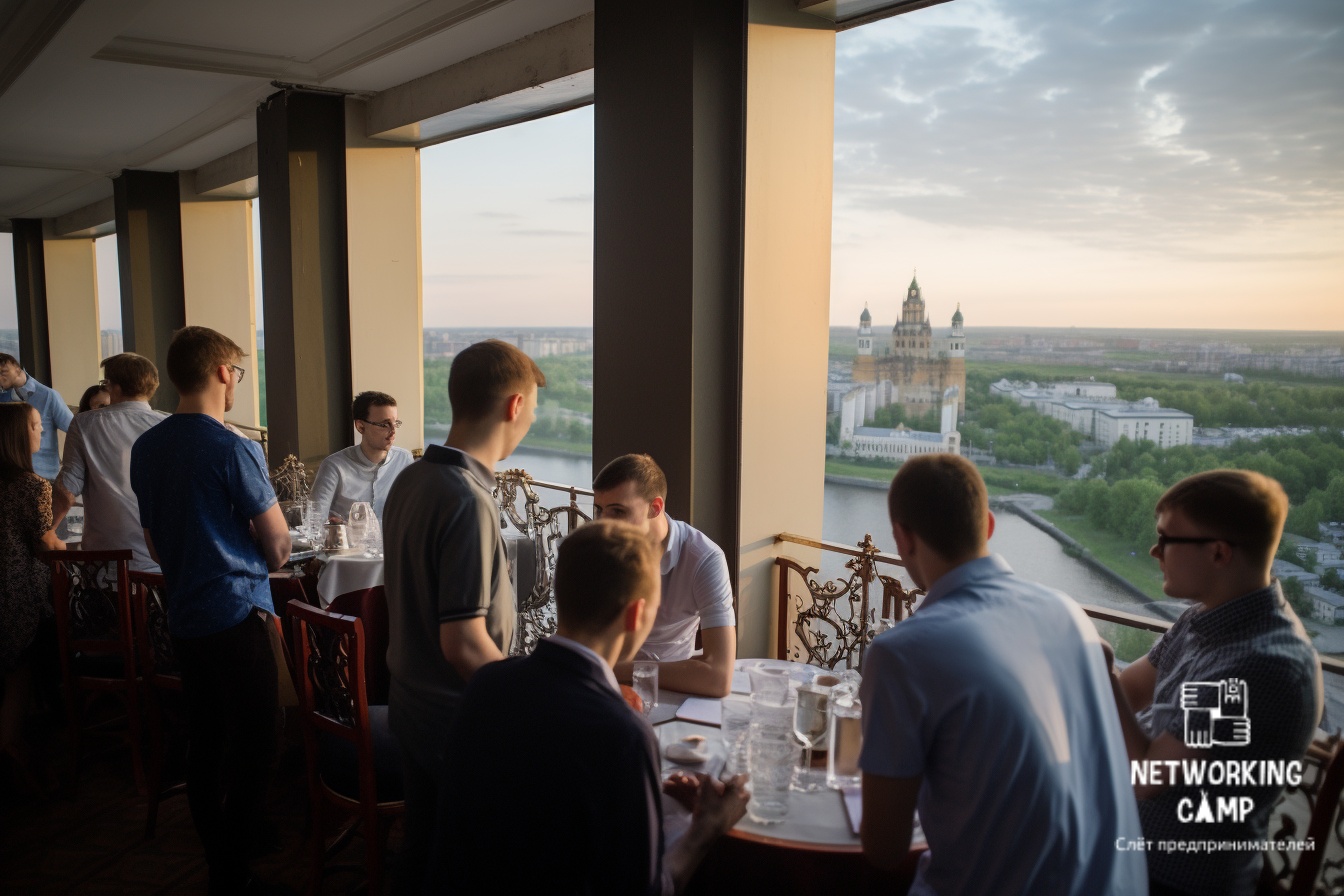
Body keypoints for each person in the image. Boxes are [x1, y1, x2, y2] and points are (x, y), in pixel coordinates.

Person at [860, 454, 1146, 896]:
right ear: (989, 525)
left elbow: (884, 848)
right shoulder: (1068, 612)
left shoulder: (904, 653)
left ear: (902, 537)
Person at [432, 519, 749, 894]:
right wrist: (707, 828)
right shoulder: (623, 734)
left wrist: (645, 791)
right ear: (635, 615)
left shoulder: (487, 684)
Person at [129, 327, 291, 896]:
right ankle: (233, 867)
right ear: (224, 372)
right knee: (259, 739)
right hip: (237, 606)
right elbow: (277, 546)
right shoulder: (233, 447)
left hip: (185, 611)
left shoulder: (148, 446)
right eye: (238, 375)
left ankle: (220, 851)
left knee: (206, 738)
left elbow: (152, 542)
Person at [1107, 470, 1322, 896]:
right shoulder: (1204, 618)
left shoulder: (1258, 666)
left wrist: (1099, 669)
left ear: (1219, 554)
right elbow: (1131, 691)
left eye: (1167, 539)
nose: (1154, 550)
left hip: (1172, 879)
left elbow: (1145, 778)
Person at [382, 338, 543, 892]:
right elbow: (465, 643)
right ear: (515, 406)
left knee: (424, 852)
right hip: (455, 720)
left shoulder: (412, 477)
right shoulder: (466, 499)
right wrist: (530, 703)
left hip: (409, 702)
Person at [592, 453, 736, 698]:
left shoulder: (704, 558)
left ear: (655, 508)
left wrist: (618, 669)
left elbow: (718, 677)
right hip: (603, 685)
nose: (605, 523)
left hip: (670, 691)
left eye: (617, 511)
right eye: (600, 510)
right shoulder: (597, 548)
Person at [53, 353, 167, 571]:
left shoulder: (84, 424)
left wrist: (47, 529)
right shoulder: (170, 425)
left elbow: (68, 487)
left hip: (107, 562)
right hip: (162, 562)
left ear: (114, 387)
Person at [0, 402, 64, 787]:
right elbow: (46, 543)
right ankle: (14, 746)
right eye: (37, 426)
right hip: (18, 595)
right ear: (17, 435)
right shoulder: (33, 486)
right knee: (20, 673)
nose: (42, 433)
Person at [309, 390, 414, 522]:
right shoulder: (334, 466)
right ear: (360, 426)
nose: (393, 431)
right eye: (384, 424)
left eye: (396, 423)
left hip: (393, 542)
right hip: (348, 542)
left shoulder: (404, 459)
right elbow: (315, 520)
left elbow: (414, 511)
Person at [0, 353, 73, 481]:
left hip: (44, 477)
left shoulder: (49, 396)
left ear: (18, 369)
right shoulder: (3, 399)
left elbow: (74, 429)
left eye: (3, 371)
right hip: (11, 477)